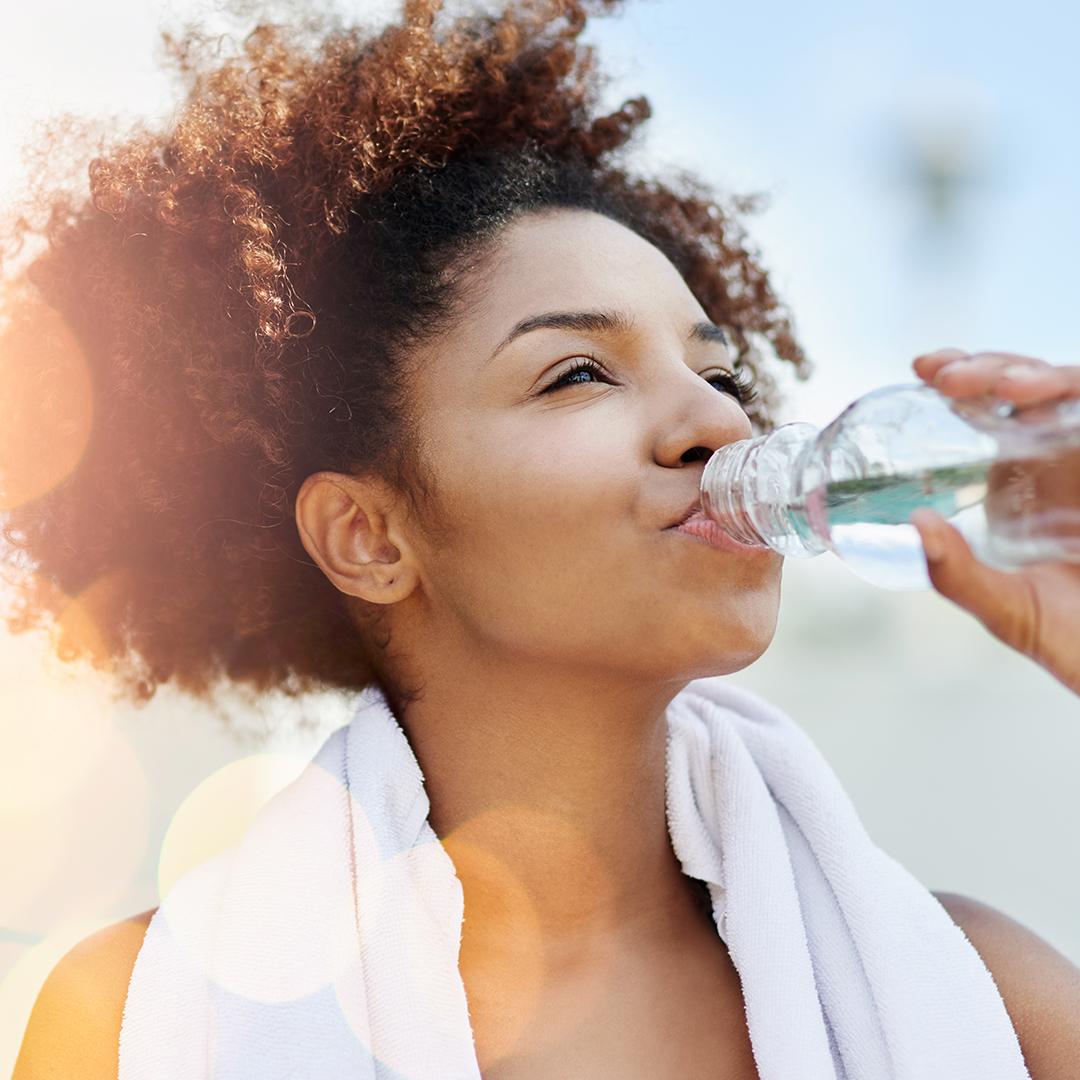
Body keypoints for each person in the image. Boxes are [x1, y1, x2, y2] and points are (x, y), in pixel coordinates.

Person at [6, 0, 1080, 1077]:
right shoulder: (134, 1026)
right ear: (369, 536)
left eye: (720, 375)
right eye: (578, 373)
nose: (720, 427)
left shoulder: (996, 1002)